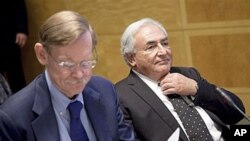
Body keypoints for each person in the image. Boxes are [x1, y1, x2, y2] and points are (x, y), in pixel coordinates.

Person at [0, 11, 139, 141]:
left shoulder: (105, 91)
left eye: (85, 62)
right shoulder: (13, 118)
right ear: (42, 54)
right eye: (67, 64)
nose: (79, 75)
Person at [115, 18, 245, 141]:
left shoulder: (188, 73)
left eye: (165, 43)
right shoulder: (121, 95)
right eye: (151, 47)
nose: (163, 51)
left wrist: (196, 88)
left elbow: (237, 112)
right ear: (131, 58)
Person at [0, 0, 28, 93]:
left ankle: (22, 102)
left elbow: (18, 5)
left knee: (14, 72)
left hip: (8, 33)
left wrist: (22, 29)